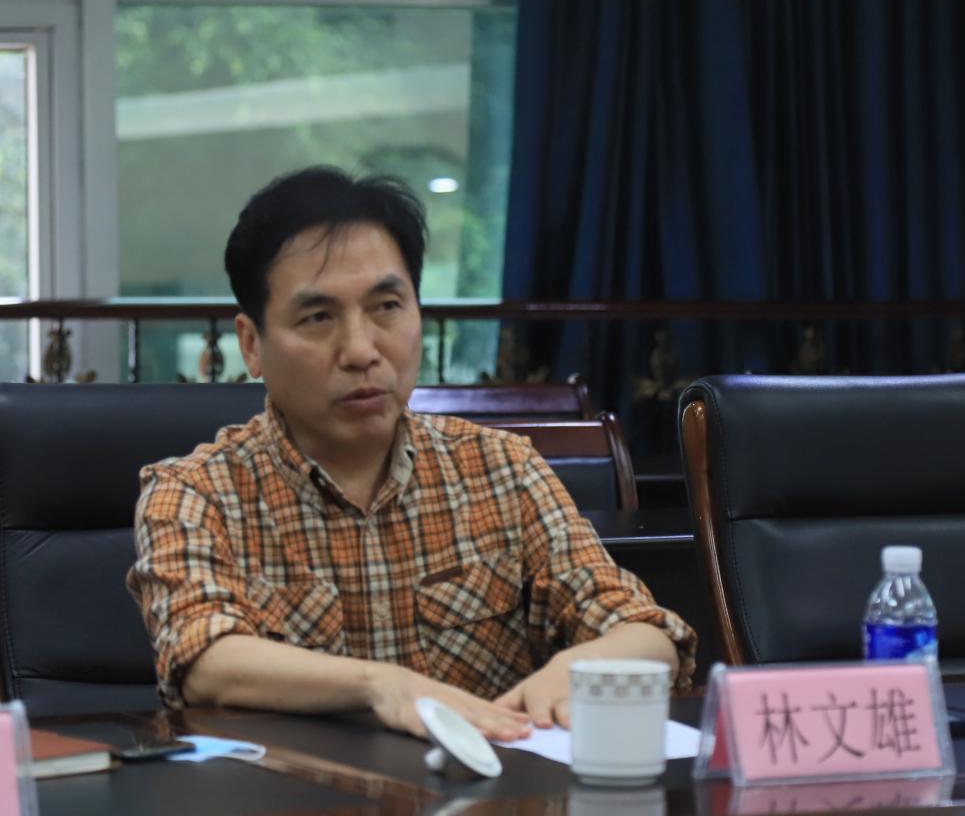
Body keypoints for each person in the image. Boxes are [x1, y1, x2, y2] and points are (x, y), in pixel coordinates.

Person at [127, 166, 696, 741]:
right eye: (318, 317)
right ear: (252, 345)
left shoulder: (502, 470)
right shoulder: (194, 493)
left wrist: (581, 666)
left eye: (386, 306)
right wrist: (383, 687)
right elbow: (203, 658)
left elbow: (647, 632)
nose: (360, 350)